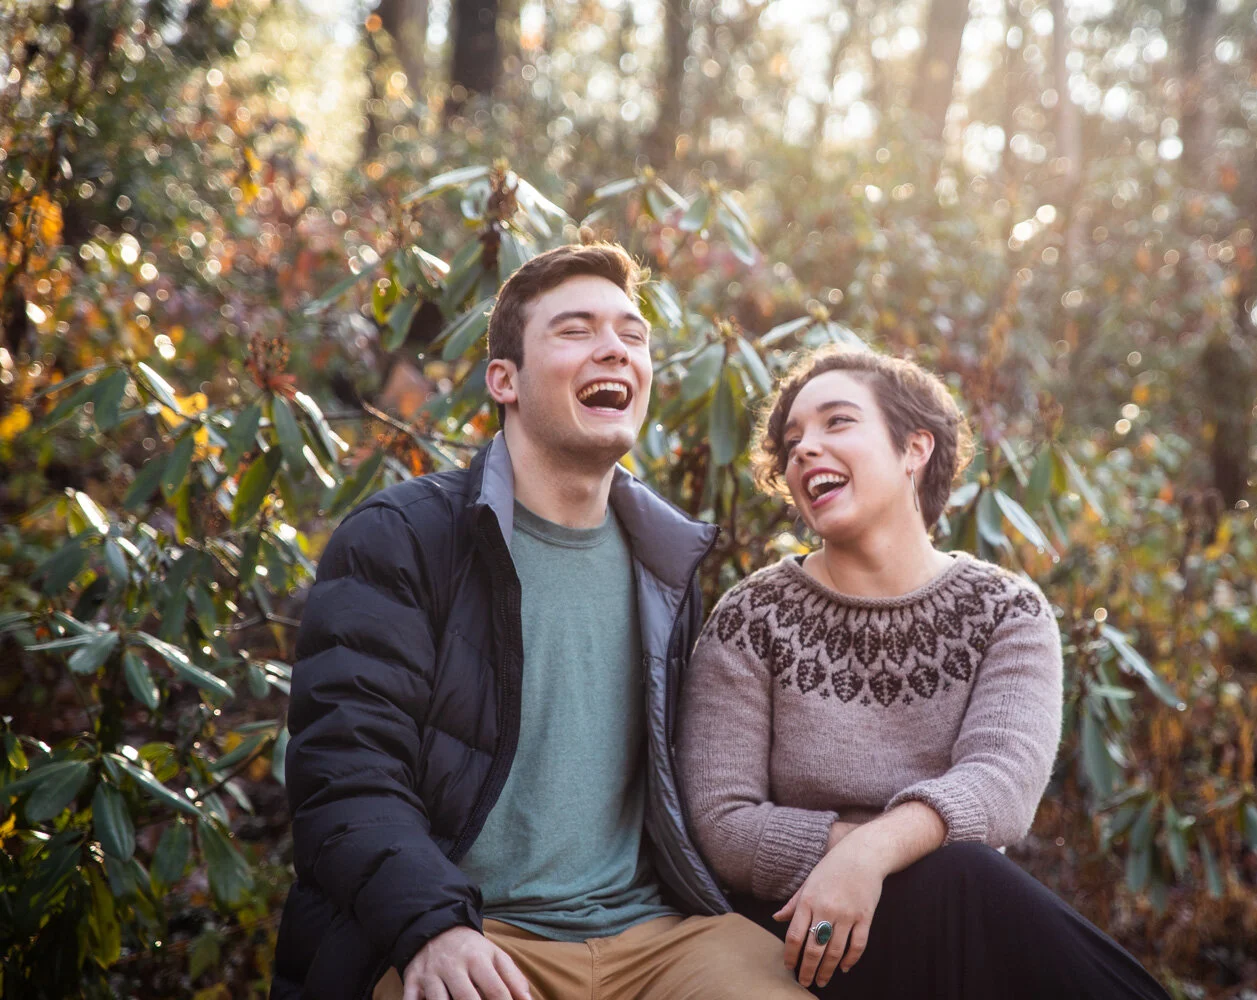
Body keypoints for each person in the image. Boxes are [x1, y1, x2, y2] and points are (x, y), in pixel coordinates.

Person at [272, 244, 809, 1000]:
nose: (614, 349)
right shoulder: (402, 538)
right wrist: (434, 925)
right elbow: (345, 773)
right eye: (576, 330)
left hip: (655, 940)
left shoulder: (665, 562)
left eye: (632, 334)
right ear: (505, 380)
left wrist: (871, 839)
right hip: (478, 935)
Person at [679, 347, 1171, 999]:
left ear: (915, 448)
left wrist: (870, 857)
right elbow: (721, 821)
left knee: (961, 877)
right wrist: (840, 857)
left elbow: (1001, 783)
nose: (804, 449)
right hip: (794, 934)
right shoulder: (752, 615)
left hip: (949, 921)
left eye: (837, 422)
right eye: (792, 439)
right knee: (963, 876)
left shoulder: (1007, 610)